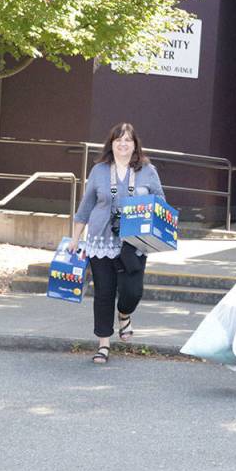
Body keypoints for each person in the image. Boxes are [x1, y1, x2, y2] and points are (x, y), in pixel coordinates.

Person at [68, 123, 164, 365]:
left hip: (134, 241)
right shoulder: (99, 170)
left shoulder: (148, 171)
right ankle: (103, 344)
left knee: (133, 291)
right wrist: (75, 238)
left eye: (128, 140)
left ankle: (124, 314)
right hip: (100, 239)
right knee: (103, 293)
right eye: (118, 140)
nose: (123, 144)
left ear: (135, 145)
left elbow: (160, 203)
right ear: (111, 144)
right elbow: (86, 206)